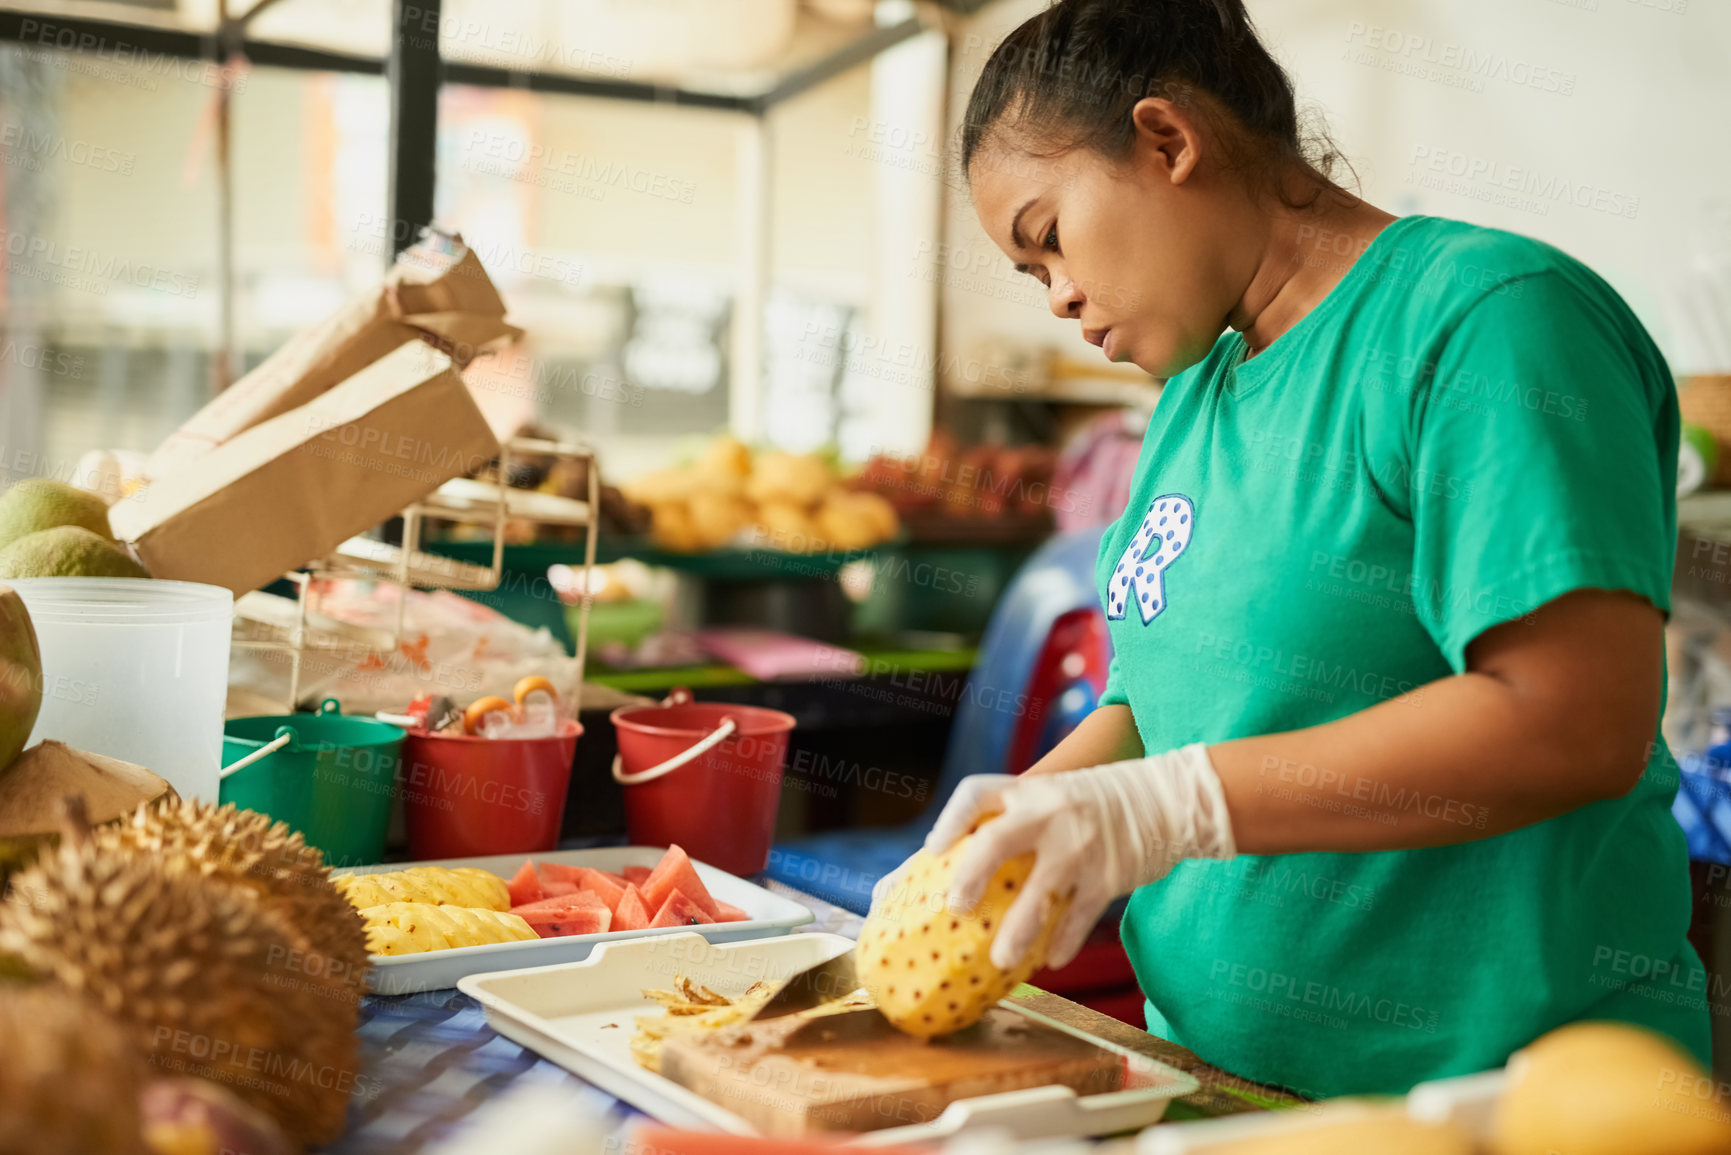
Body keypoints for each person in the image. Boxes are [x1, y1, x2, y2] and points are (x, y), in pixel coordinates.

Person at [895, 0, 1707, 1097]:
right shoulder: (1192, 402)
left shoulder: (1488, 321)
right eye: (1030, 276)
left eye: (1050, 240)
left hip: (1495, 1095)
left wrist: (1172, 809)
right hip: (1210, 1079)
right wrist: (1010, 826)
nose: (1058, 297)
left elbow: (1571, 718)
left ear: (1167, 140)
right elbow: (1160, 711)